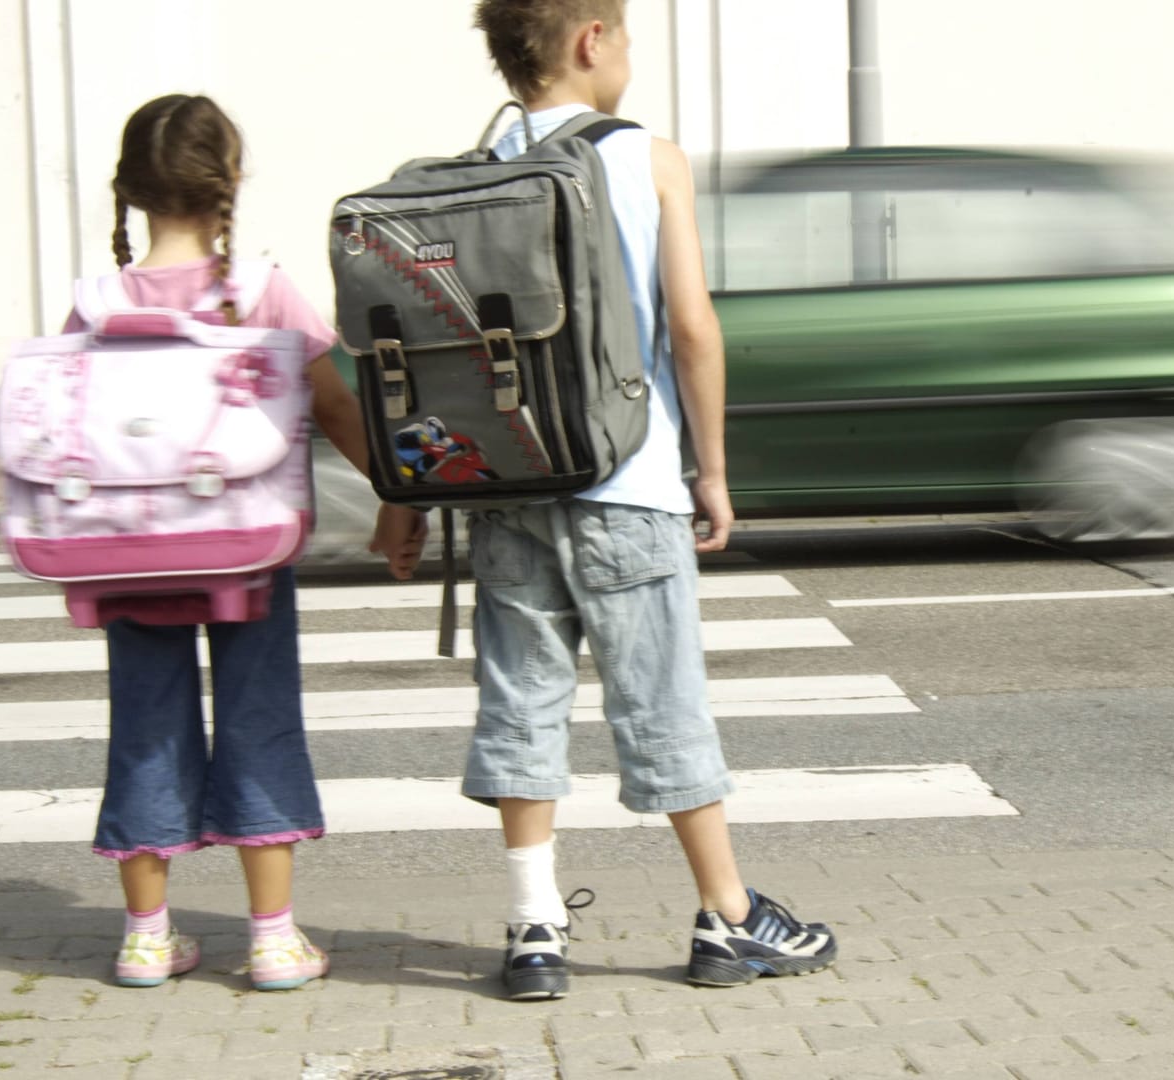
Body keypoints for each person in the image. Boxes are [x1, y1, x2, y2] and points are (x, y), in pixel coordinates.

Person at [465, 0, 837, 998]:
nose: (629, 53)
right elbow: (692, 328)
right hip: (626, 480)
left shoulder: (473, 167)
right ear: (593, 41)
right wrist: (709, 471)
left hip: (507, 489)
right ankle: (728, 916)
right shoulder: (648, 158)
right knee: (663, 703)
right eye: (625, 35)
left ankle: (534, 927)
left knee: (522, 703)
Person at [73, 94, 429, 990]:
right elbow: (338, 403)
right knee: (259, 717)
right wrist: (397, 499)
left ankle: (148, 938)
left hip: (129, 554)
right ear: (230, 181)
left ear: (129, 189)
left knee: (146, 727)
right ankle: (271, 938)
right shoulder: (261, 291)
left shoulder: (96, 302)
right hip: (250, 554)